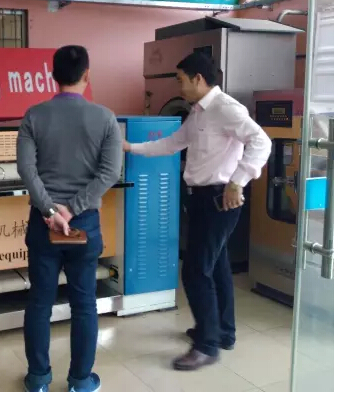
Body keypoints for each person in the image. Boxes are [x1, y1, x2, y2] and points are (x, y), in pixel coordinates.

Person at [123, 52, 271, 371]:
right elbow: (173, 143)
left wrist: (238, 181)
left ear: (198, 79)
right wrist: (131, 147)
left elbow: (262, 142)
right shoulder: (199, 112)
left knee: (194, 271)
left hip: (220, 200)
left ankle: (206, 346)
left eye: (181, 80)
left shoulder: (226, 108)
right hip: (202, 200)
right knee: (216, 267)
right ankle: (222, 333)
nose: (179, 87)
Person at [17, 45, 123, 392]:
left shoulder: (34, 116)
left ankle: (38, 379)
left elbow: (26, 170)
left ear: (53, 75)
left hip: (42, 224)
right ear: (87, 75)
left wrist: (50, 211)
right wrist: (72, 210)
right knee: (84, 304)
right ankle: (80, 381)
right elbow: (110, 173)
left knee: (39, 303)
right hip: (84, 224)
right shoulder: (106, 118)